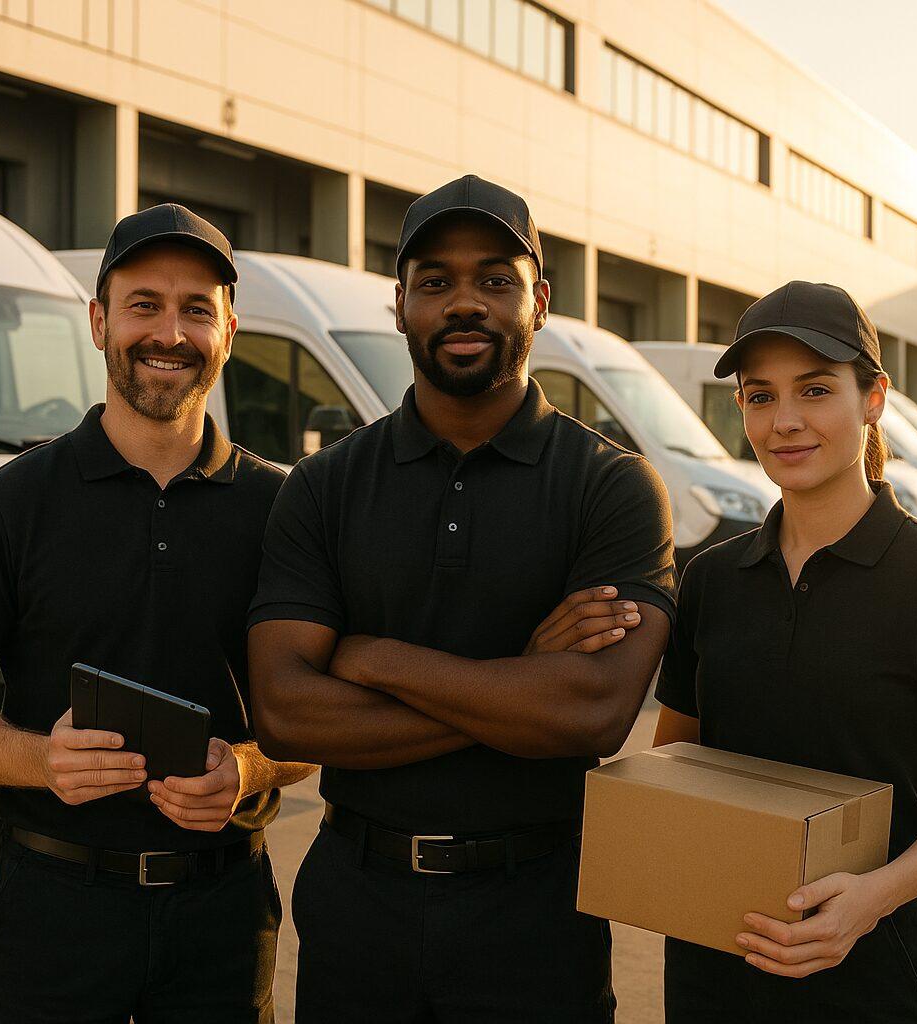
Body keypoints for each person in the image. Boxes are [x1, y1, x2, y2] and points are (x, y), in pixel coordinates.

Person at [247, 174, 676, 1023]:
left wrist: (377, 659)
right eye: (435, 281)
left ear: (539, 300)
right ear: (399, 305)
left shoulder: (614, 488)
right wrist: (520, 682)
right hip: (357, 911)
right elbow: (287, 714)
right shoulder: (325, 486)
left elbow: (592, 713)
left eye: (495, 279)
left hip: (539, 915)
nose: (465, 302)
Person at [0, 203, 315, 1024]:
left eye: (196, 310)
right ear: (99, 320)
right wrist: (42, 759)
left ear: (228, 331)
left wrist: (250, 771)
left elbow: (320, 720)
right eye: (144, 303)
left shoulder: (284, 510)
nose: (169, 333)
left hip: (222, 916)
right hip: (51, 914)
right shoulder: (11, 504)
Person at [654, 280, 917, 1024]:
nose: (785, 422)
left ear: (874, 398)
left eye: (816, 390)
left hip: (874, 972)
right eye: (759, 397)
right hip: (715, 964)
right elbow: (675, 767)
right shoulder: (713, 580)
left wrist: (871, 899)